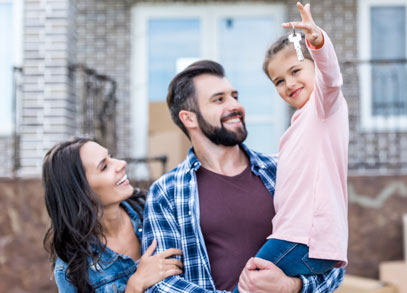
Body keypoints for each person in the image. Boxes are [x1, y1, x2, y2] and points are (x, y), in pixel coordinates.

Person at [141, 49, 344, 292]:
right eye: (219, 100)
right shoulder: (167, 192)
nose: (235, 105)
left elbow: (332, 259)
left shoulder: (281, 170)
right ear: (189, 118)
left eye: (234, 96)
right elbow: (161, 283)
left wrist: (292, 287)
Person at [236, 2, 349, 291]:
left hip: (303, 238)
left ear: (313, 66)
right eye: (279, 81)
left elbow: (332, 80)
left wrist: (318, 43)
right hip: (297, 237)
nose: (289, 83)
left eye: (296, 70)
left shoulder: (324, 108)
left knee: (248, 285)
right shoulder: (298, 126)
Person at [42, 138, 183, 293]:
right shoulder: (71, 269)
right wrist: (135, 286)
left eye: (111, 156)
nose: (121, 163)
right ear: (82, 192)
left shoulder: (157, 209)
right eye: (104, 167)